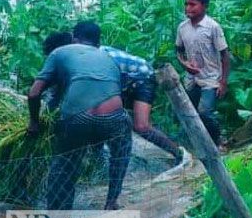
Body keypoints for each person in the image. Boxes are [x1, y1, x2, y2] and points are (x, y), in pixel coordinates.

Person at [27, 32, 132, 210]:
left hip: (78, 119)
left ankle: (58, 214)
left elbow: (34, 93)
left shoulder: (57, 54)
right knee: (120, 153)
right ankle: (111, 201)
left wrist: (34, 123)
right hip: (114, 118)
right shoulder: (105, 55)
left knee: (64, 163)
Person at [72, 21, 185, 165]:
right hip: (124, 82)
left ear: (75, 40)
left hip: (142, 77)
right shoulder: (87, 55)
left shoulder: (97, 56)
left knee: (141, 126)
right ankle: (98, 162)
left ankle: (177, 153)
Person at [175, 0, 230, 146]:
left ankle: (219, 139)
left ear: (204, 6)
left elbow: (225, 55)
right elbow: (178, 51)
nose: (188, 8)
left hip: (211, 79)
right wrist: (184, 63)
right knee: (188, 113)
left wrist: (223, 82)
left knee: (205, 112)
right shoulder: (182, 28)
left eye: (193, 4)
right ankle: (199, 143)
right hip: (191, 79)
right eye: (186, 4)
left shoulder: (212, 27)